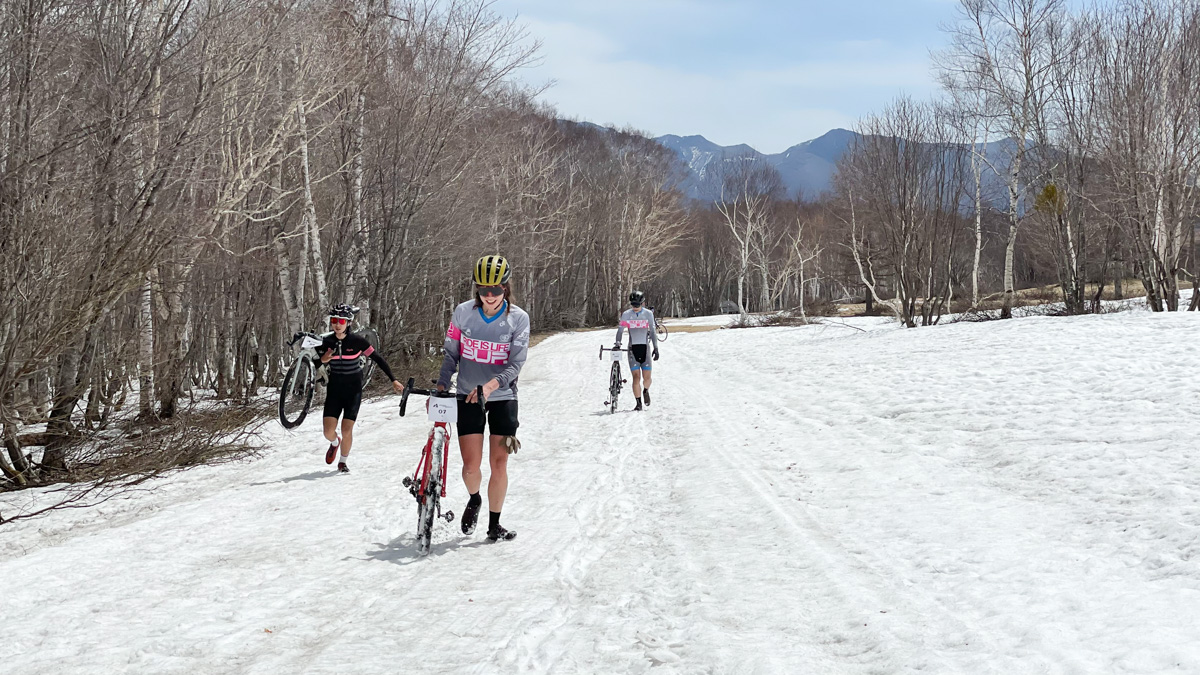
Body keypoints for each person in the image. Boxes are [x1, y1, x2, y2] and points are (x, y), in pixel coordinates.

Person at [436, 255, 530, 542]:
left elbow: (516, 364)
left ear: (506, 288)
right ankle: (474, 498)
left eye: (496, 290)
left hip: (502, 397)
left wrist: (491, 385)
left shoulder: (518, 318)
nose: (489, 296)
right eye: (483, 290)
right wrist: (442, 384)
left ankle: (494, 524)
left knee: (499, 462)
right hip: (467, 396)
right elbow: (452, 353)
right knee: (470, 467)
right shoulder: (463, 313)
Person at [317, 304, 403, 473]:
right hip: (334, 391)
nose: (337, 324)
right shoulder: (327, 342)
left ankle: (343, 462)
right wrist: (323, 359)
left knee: (346, 429)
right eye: (334, 320)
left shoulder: (357, 342)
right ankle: (335, 443)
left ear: (348, 322)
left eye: (341, 321)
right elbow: (314, 363)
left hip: (353, 391)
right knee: (328, 432)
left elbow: (378, 358)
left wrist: (393, 379)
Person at [614, 290, 659, 411]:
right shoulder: (626, 314)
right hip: (632, 349)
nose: (635, 307)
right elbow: (620, 330)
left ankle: (645, 391)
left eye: (637, 305)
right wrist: (617, 343)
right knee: (636, 377)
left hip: (645, 349)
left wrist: (656, 348)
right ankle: (638, 403)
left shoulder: (648, 314)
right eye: (633, 305)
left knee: (647, 378)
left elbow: (653, 331)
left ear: (643, 303)